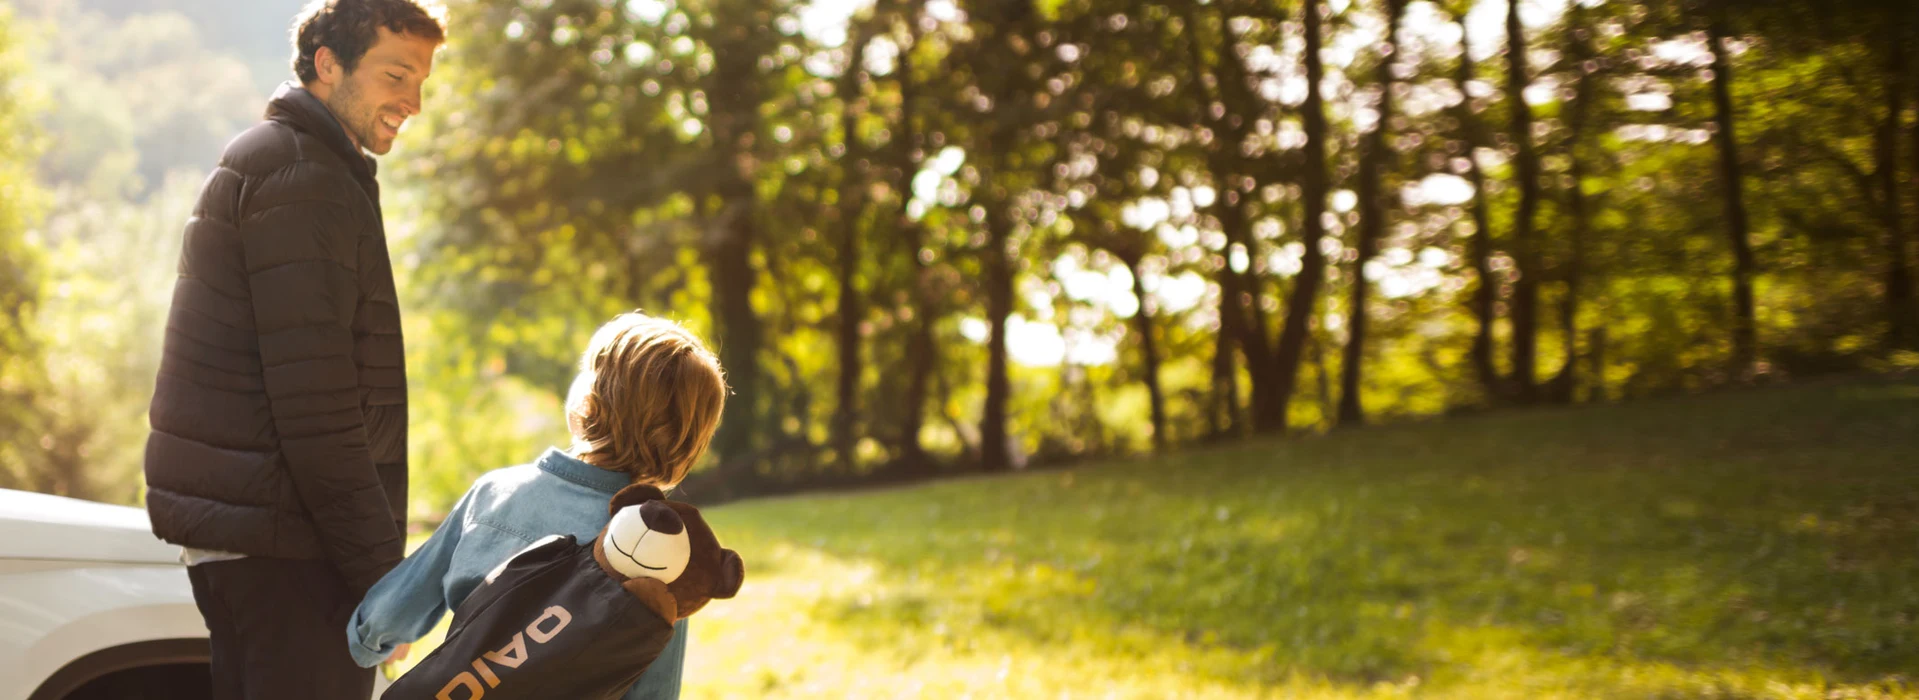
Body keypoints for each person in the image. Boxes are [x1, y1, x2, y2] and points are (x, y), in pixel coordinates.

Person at [139, 1, 444, 697]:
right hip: (286, 545)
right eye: (396, 74)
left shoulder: (290, 163)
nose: (414, 101)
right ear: (327, 63)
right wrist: (382, 583)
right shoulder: (302, 178)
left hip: (259, 540)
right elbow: (317, 404)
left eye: (423, 81)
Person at [348, 312, 728, 699]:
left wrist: (372, 641)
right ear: (689, 442)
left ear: (589, 402)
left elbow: (389, 611)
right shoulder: (666, 558)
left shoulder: (497, 493)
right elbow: (653, 691)